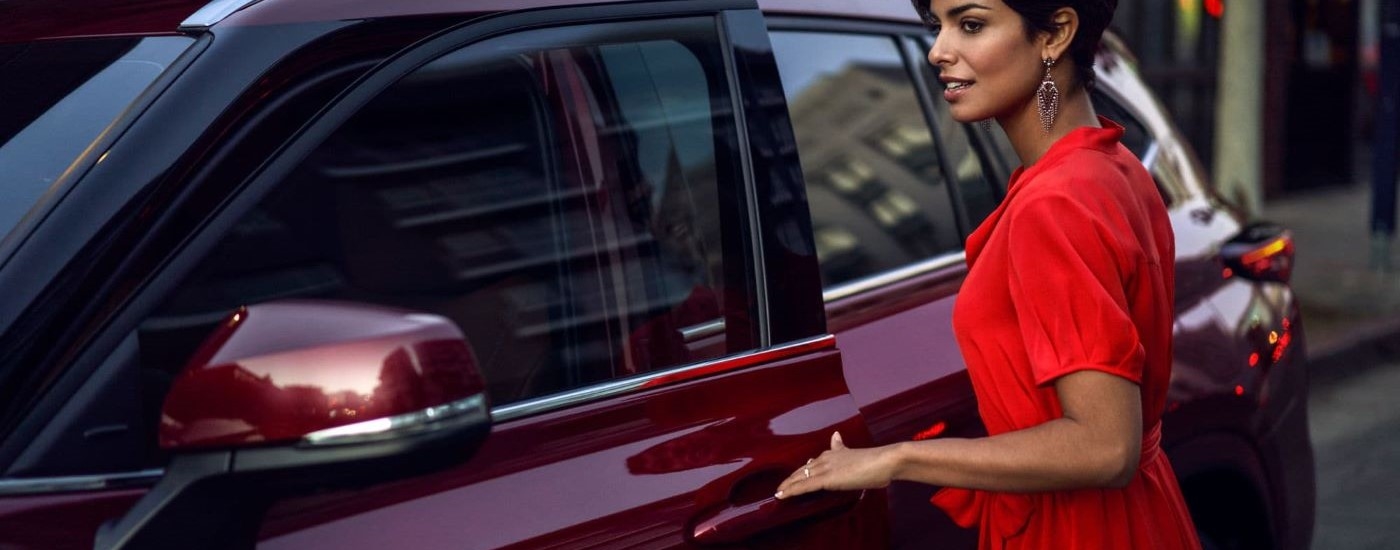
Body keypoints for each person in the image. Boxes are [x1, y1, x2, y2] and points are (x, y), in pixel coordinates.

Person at [772, 0, 1202, 548]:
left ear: (1056, 34)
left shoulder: (1057, 203)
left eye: (970, 25)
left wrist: (897, 458)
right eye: (939, 25)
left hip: (1078, 529)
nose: (938, 51)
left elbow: (1104, 447)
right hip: (1138, 512)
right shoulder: (1113, 168)